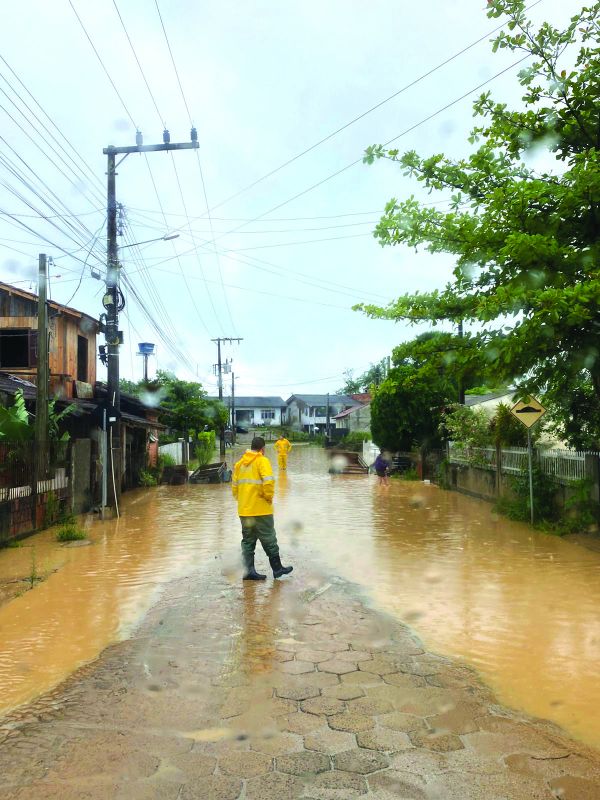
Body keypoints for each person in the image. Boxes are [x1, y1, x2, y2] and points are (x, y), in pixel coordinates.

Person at [232, 436, 293, 581]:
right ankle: (277, 569)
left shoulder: (239, 465)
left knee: (248, 541)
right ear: (263, 449)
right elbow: (269, 482)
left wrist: (243, 502)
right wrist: (268, 498)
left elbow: (234, 489)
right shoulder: (262, 461)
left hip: (244, 511)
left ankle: (249, 572)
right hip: (261, 511)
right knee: (269, 539)